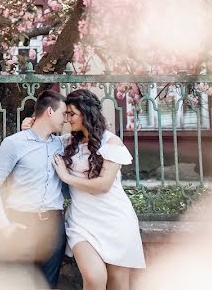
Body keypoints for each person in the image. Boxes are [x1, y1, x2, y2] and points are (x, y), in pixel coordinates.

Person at [55, 89, 145, 290]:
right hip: (81, 222)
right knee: (95, 278)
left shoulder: (111, 142)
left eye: (72, 114)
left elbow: (103, 185)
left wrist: (67, 177)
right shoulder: (67, 142)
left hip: (116, 220)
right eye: (66, 114)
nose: (68, 119)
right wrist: (30, 124)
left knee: (118, 284)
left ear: (86, 113)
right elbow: (40, 140)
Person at [0, 89, 68, 289]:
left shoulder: (61, 144)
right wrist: (4, 225)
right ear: (49, 112)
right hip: (21, 221)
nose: (65, 119)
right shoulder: (14, 144)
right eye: (63, 113)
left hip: (53, 224)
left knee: (48, 285)